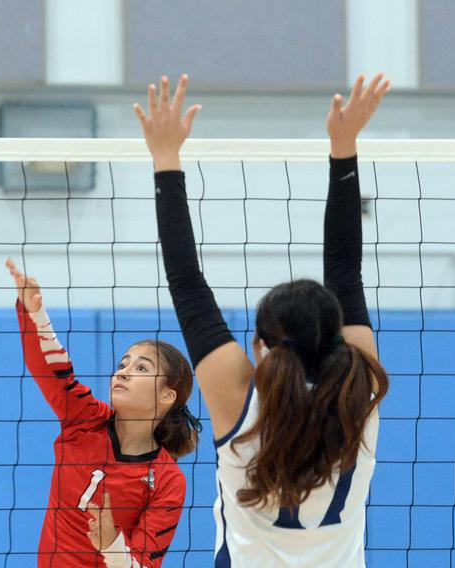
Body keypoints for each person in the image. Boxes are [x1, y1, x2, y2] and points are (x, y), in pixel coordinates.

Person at [134, 73, 390, 567]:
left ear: (260, 347)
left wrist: (165, 156)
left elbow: (187, 282)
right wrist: (344, 145)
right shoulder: (362, 394)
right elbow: (345, 270)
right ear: (339, 337)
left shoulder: (240, 407)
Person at [6, 258, 200, 567]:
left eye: (141, 368)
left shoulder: (167, 480)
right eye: (123, 364)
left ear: (167, 395)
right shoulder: (85, 420)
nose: (122, 372)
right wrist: (36, 314)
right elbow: (52, 371)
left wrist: (112, 546)